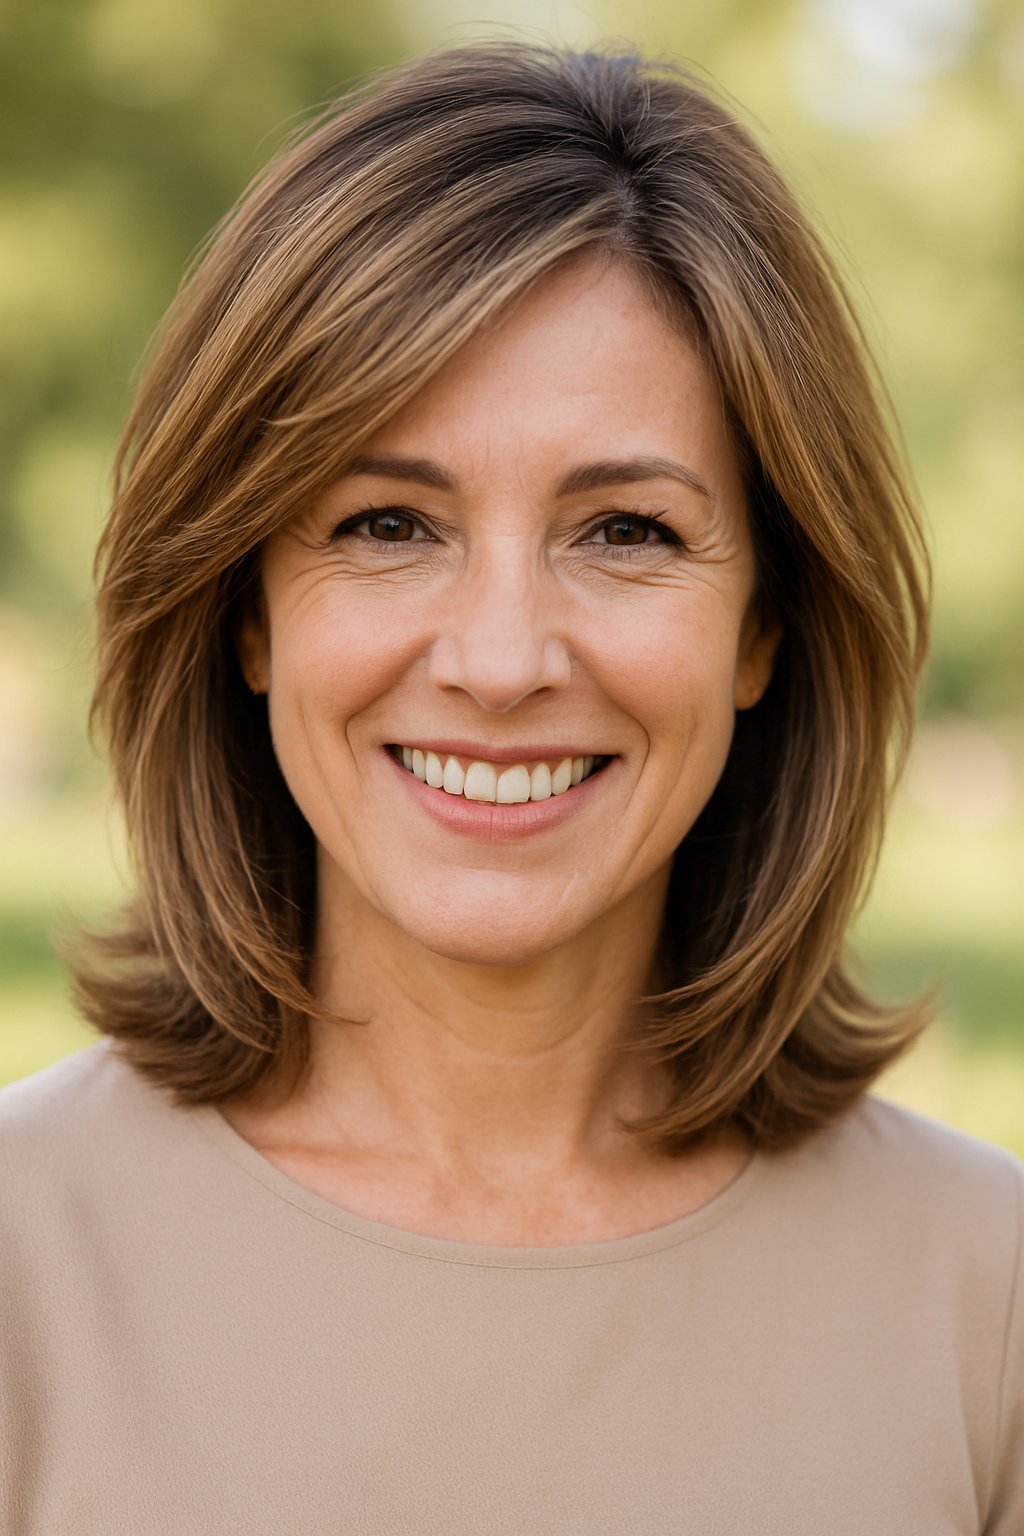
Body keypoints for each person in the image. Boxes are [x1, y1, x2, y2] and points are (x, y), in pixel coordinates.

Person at [1, 41, 1020, 1535]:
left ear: (766, 628)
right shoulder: (24, 1266)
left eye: (626, 533)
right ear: (246, 608)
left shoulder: (985, 1301)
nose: (497, 659)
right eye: (389, 522)